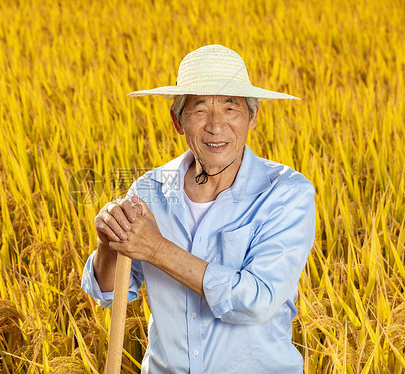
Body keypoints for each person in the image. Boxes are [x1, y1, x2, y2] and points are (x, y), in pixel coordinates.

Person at [81, 44, 315, 373]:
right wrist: (108, 243)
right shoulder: (149, 190)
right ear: (178, 121)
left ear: (253, 117)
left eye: (230, 109)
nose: (216, 126)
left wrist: (157, 248)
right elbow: (110, 293)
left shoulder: (286, 193)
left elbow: (256, 300)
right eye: (199, 109)